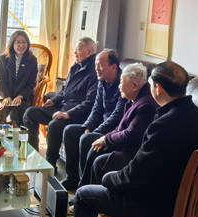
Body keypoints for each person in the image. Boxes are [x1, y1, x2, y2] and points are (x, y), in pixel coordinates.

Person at [54, 60, 198, 217]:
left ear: (157, 88)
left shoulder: (164, 124)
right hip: (178, 207)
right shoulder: (197, 117)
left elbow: (134, 176)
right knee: (113, 177)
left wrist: (107, 179)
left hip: (156, 213)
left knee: (85, 195)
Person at [22, 37, 98, 174]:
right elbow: (64, 90)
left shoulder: (94, 72)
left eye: (78, 49)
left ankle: (50, 165)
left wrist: (68, 114)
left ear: (89, 52)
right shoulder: (76, 66)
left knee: (54, 125)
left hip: (76, 114)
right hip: (62, 108)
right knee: (30, 113)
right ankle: (33, 155)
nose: (75, 52)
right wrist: (54, 100)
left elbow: (90, 103)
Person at [81, 62, 158, 188]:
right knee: (92, 144)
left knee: (98, 159)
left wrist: (107, 139)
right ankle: (83, 189)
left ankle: (90, 194)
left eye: (121, 82)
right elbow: (121, 127)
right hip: (125, 143)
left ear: (134, 85)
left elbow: (131, 135)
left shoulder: (146, 105)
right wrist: (106, 138)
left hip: (133, 151)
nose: (119, 86)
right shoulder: (134, 99)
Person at [60, 49, 125, 191]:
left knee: (86, 139)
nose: (96, 68)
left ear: (113, 66)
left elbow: (117, 116)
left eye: (100, 65)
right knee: (70, 131)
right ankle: (72, 178)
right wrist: (87, 126)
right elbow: (96, 109)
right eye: (95, 65)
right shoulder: (102, 82)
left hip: (113, 130)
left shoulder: (123, 84)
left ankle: (83, 187)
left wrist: (95, 131)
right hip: (101, 125)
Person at [0, 30, 38, 126]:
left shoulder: (32, 60)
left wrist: (20, 96)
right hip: (4, 93)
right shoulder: (3, 58)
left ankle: (17, 134)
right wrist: (6, 96)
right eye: (18, 42)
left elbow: (31, 83)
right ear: (12, 44)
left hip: (23, 96)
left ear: (27, 44)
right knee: (3, 111)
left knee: (16, 112)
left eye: (24, 42)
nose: (21, 45)